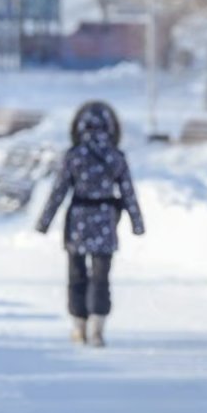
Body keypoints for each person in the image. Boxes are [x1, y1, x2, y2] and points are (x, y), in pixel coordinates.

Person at [35, 101, 145, 347]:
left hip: (78, 220)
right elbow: (128, 192)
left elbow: (58, 191)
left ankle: (78, 326)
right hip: (106, 220)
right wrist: (137, 222)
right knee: (101, 276)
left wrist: (44, 222)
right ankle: (97, 327)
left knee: (76, 274)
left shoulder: (73, 156)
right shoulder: (116, 156)